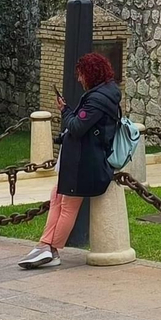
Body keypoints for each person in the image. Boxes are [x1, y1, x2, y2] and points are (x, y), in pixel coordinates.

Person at [18, 52, 121, 269]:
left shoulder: (98, 99)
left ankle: (52, 249)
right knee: (56, 196)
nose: (79, 79)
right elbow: (84, 125)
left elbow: (77, 126)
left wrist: (65, 110)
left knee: (68, 206)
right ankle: (44, 245)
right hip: (79, 160)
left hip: (86, 163)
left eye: (81, 75)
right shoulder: (104, 94)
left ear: (90, 74)